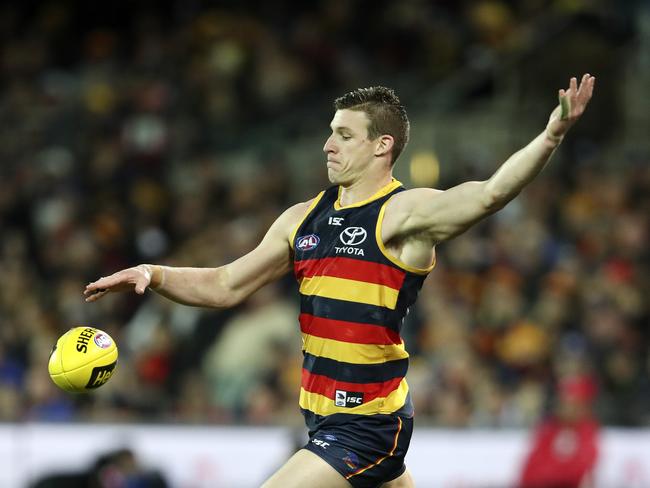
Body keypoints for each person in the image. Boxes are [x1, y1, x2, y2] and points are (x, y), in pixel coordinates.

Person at [85, 74, 595, 488]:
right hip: (322, 418)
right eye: (330, 132)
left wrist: (551, 135)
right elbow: (224, 285)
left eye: (344, 135)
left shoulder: (403, 214)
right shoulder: (300, 219)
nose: (328, 145)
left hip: (369, 425)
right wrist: (155, 273)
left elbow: (489, 194)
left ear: (382, 146)